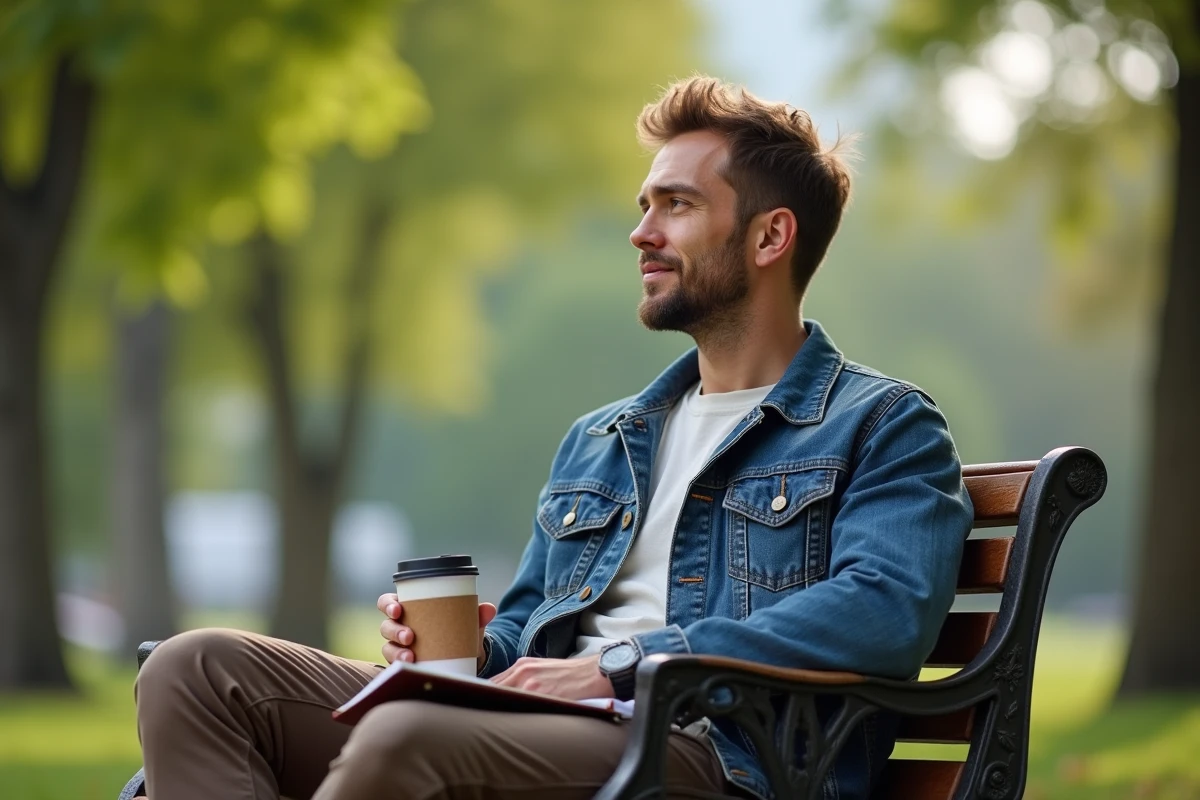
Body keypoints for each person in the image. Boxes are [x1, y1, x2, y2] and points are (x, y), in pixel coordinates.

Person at [133, 76, 973, 800]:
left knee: (406, 739)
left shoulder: (882, 424)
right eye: (644, 205)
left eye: (676, 205)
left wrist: (622, 665)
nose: (642, 232)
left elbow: (883, 613)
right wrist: (457, 652)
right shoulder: (605, 438)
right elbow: (529, 634)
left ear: (769, 236)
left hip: (716, 758)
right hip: (544, 728)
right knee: (195, 668)